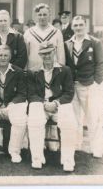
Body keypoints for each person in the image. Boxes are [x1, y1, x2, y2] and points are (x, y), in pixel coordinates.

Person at [28, 42, 77, 171]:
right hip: (41, 105)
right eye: (43, 54)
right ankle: (37, 158)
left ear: (54, 52)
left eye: (49, 52)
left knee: (69, 122)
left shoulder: (64, 70)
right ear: (39, 55)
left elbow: (69, 93)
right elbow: (31, 94)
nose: (47, 56)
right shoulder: (33, 72)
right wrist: (44, 104)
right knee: (34, 117)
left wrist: (55, 103)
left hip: (58, 105)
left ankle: (68, 160)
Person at [64, 15, 103, 157]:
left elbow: (101, 64)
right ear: (72, 27)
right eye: (75, 25)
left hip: (89, 85)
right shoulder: (67, 43)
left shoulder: (94, 42)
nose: (78, 28)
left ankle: (97, 148)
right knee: (74, 117)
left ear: (85, 25)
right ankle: (76, 145)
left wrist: (97, 82)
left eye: (81, 25)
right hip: (72, 85)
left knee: (93, 117)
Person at [24, 3, 65, 71]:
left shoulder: (57, 32)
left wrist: (61, 71)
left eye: (45, 14)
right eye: (39, 15)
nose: (42, 17)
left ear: (49, 15)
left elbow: (61, 56)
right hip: (33, 71)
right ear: (35, 16)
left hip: (52, 72)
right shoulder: (28, 33)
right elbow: (25, 55)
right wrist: (25, 71)